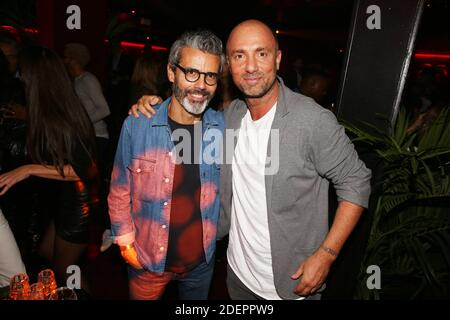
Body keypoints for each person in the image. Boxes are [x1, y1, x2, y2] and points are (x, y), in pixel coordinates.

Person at [130, 19, 371, 300]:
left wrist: (327, 255)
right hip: (238, 277)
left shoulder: (312, 121)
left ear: (278, 59)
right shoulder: (231, 117)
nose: (251, 67)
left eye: (261, 53)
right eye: (239, 56)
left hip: (291, 284)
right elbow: (188, 113)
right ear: (228, 67)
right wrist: (155, 105)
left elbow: (357, 181)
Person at [108, 30, 225, 300]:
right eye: (192, 73)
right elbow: (119, 188)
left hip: (201, 263)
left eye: (210, 76)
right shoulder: (138, 125)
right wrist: (126, 244)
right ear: (172, 72)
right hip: (148, 261)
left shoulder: (221, 127)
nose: (201, 85)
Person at [0, 46, 99, 289]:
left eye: (24, 72)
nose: (20, 77)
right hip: (64, 196)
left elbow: (84, 169)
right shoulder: (53, 105)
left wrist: (28, 169)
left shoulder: (61, 113)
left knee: (66, 269)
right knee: (47, 251)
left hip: (77, 200)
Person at [64, 43, 111, 175]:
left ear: (74, 59)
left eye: (66, 56)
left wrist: (82, 123)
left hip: (96, 135)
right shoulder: (76, 80)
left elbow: (105, 110)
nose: (64, 60)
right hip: (84, 135)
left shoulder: (88, 79)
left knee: (89, 175)